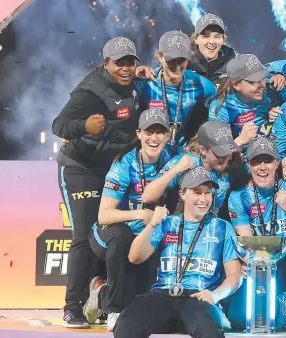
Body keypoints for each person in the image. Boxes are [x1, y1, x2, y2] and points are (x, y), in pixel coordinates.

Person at [51, 37, 142, 328]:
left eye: (130, 62)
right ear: (106, 64)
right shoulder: (89, 93)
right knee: (84, 235)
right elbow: (58, 126)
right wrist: (83, 127)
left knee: (111, 234)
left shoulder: (137, 84)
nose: (125, 68)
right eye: (119, 63)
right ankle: (71, 307)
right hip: (80, 168)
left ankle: (101, 296)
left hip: (112, 169)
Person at [113, 167, 243, 338]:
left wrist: (215, 295)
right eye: (197, 192)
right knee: (126, 323)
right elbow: (134, 257)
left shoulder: (222, 227)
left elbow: (235, 276)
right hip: (162, 295)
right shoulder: (167, 223)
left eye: (207, 193)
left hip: (198, 298)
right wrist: (152, 224)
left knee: (209, 329)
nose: (203, 199)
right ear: (182, 194)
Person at [83, 108, 180, 331]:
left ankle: (100, 293)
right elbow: (104, 215)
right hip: (108, 232)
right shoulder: (124, 165)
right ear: (139, 134)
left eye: (160, 132)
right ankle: (114, 309)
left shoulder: (175, 156)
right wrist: (141, 214)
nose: (154, 138)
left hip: (147, 234)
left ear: (168, 135)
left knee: (141, 291)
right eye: (149, 132)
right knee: (122, 238)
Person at [224, 136, 286, 330]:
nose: (262, 167)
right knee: (239, 317)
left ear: (277, 163)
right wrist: (248, 265)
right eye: (256, 161)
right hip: (261, 260)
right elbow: (247, 243)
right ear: (248, 165)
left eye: (267, 160)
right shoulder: (238, 196)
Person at [133, 30, 217, 147]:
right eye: (172, 59)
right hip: (151, 147)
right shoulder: (145, 83)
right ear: (160, 57)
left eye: (182, 59)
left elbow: (217, 118)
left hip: (182, 150)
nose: (177, 65)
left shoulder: (202, 85)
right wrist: (133, 73)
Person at [141, 120, 241, 217]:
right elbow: (147, 197)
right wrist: (175, 170)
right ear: (203, 150)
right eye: (220, 152)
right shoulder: (186, 162)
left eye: (228, 151)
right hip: (179, 226)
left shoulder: (229, 163)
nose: (225, 157)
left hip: (209, 226)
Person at [208, 54, 286, 148]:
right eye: (253, 81)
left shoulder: (274, 90)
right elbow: (218, 151)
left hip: (271, 152)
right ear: (236, 85)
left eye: (262, 78)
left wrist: (277, 119)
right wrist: (240, 141)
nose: (261, 85)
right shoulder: (221, 107)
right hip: (239, 157)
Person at [187, 13, 236, 86]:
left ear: (223, 39)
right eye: (206, 36)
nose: (212, 42)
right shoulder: (183, 66)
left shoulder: (234, 68)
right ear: (196, 39)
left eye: (217, 36)